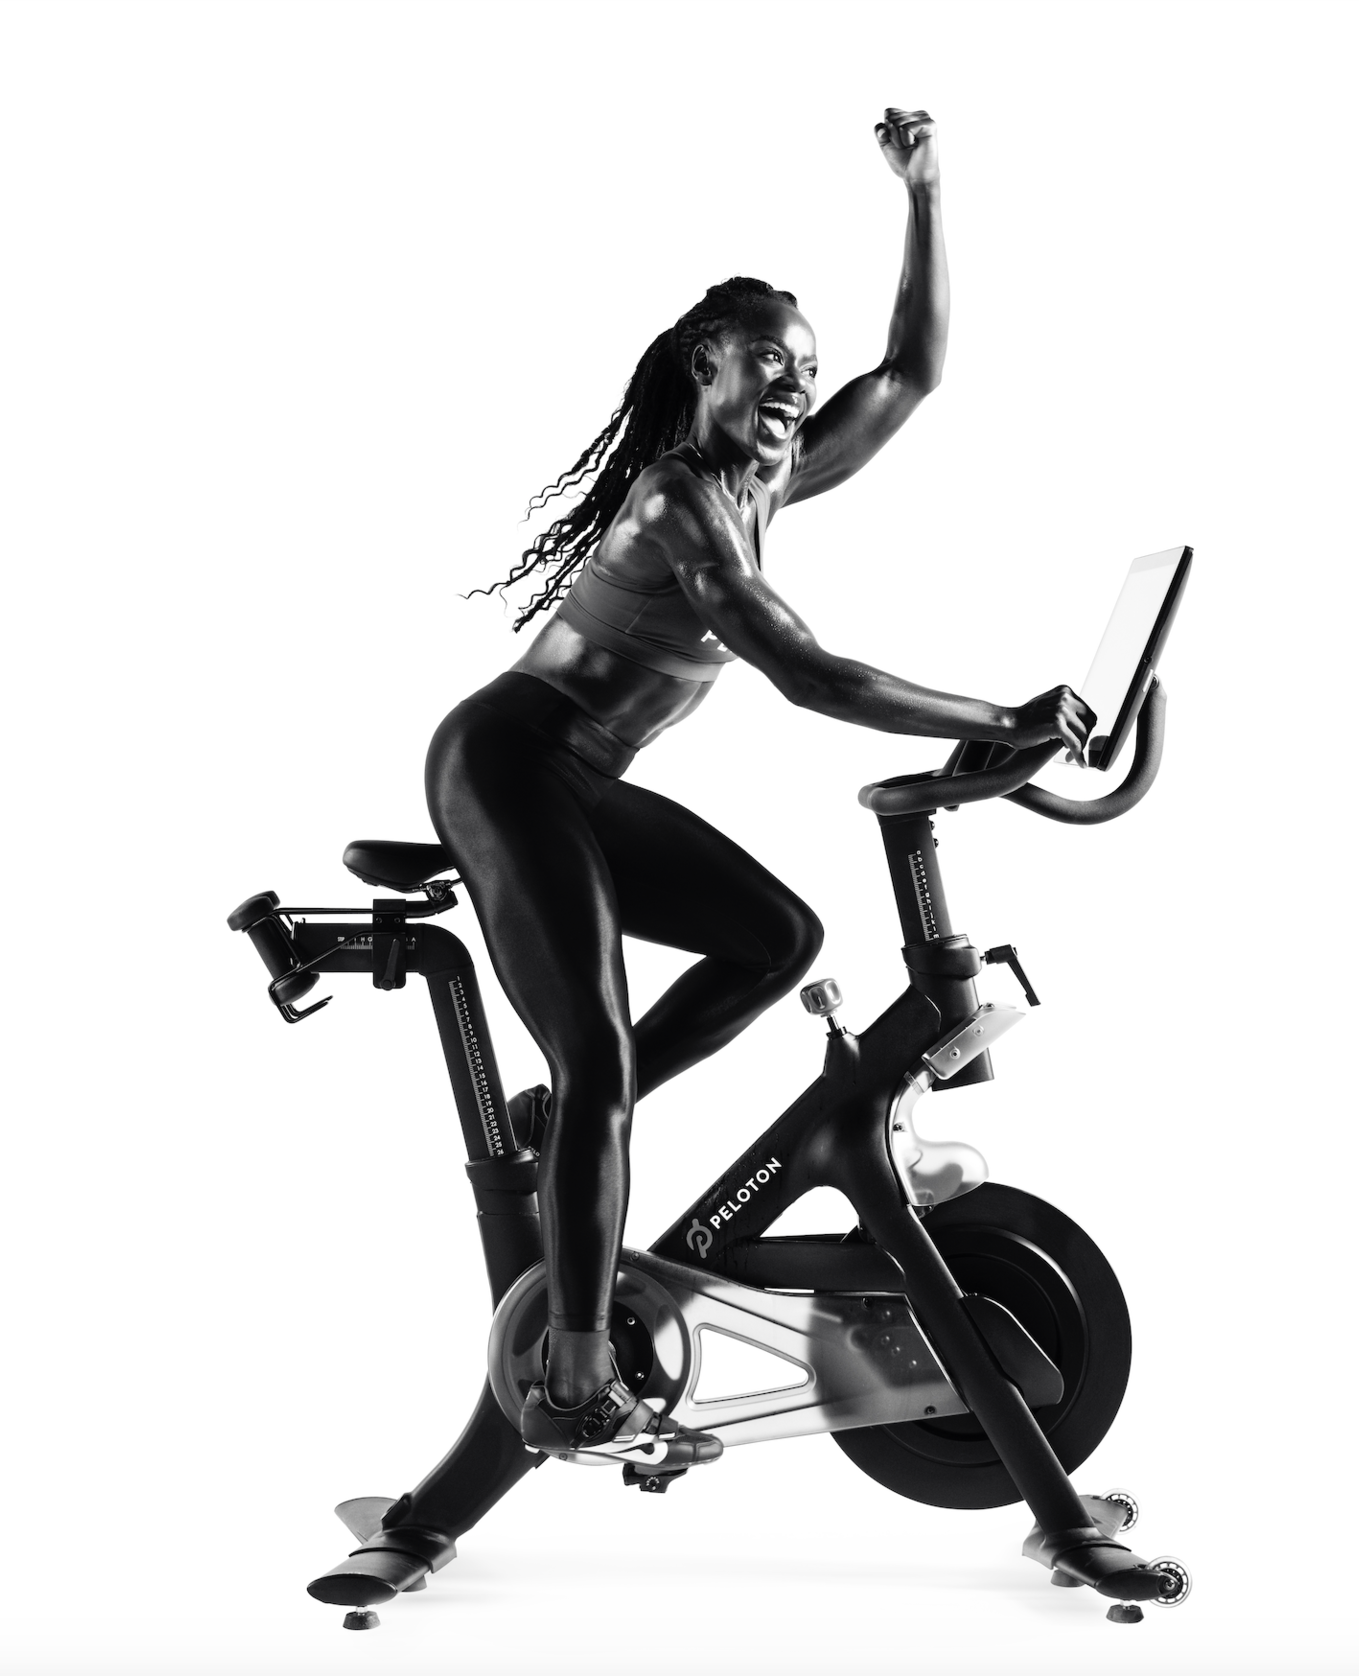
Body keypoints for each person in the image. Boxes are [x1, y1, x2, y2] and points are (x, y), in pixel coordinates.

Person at [424, 109, 1090, 1458]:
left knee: (775, 937)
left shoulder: (767, 476)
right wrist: (998, 717)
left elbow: (911, 374)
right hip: (508, 764)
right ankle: (572, 1378)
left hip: (577, 777)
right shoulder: (681, 498)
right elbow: (811, 675)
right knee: (600, 1056)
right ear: (706, 365)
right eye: (771, 360)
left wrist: (927, 193)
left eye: (807, 368)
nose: (796, 385)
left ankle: (572, 1121)